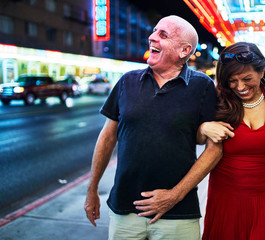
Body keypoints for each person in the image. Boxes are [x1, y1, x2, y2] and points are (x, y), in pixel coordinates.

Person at [84, 15, 222, 240]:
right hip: (125, 210)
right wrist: (92, 189)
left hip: (179, 214)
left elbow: (215, 149)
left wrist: (174, 196)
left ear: (184, 51)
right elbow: (108, 137)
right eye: (154, 31)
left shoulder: (202, 86)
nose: (152, 37)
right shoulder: (127, 81)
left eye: (163, 35)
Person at [199, 42, 265, 239]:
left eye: (247, 79)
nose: (240, 87)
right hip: (226, 195)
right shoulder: (219, 97)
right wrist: (203, 127)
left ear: (262, 71)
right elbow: (198, 137)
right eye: (232, 80)